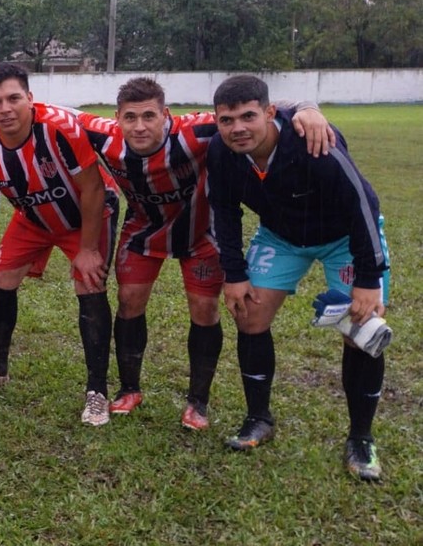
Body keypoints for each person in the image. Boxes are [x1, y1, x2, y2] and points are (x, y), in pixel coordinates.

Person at [65, 77, 331, 429]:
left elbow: (253, 110)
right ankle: (129, 388)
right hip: (145, 230)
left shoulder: (199, 130)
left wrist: (307, 108)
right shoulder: (104, 135)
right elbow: (59, 115)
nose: (140, 126)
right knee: (129, 301)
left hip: (201, 231)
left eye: (149, 116)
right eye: (130, 118)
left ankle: (198, 402)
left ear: (166, 115)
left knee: (205, 309)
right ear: (117, 118)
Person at [207, 74, 389, 481]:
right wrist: (233, 274)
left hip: (345, 236)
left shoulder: (312, 140)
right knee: (248, 315)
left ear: (270, 113)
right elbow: (225, 210)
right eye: (227, 120)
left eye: (248, 116)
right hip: (282, 237)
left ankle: (361, 438)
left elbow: (363, 202)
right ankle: (258, 418)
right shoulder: (221, 151)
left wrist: (368, 277)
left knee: (363, 329)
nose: (238, 128)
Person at [0, 63, 118, 427]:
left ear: (30, 98)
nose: (5, 109)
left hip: (85, 215)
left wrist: (88, 250)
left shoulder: (60, 128)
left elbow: (93, 188)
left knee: (88, 282)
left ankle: (97, 391)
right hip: (32, 217)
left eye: (14, 98)